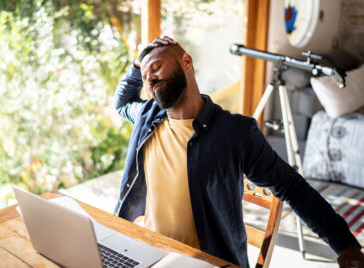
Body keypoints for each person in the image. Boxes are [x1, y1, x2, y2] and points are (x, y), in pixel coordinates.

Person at [113, 36, 363, 268]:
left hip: (202, 261)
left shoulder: (234, 133)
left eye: (155, 68)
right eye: (145, 77)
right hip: (145, 249)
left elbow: (292, 187)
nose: (150, 80)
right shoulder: (147, 116)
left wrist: (344, 244)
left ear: (186, 62)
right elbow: (122, 102)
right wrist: (139, 64)